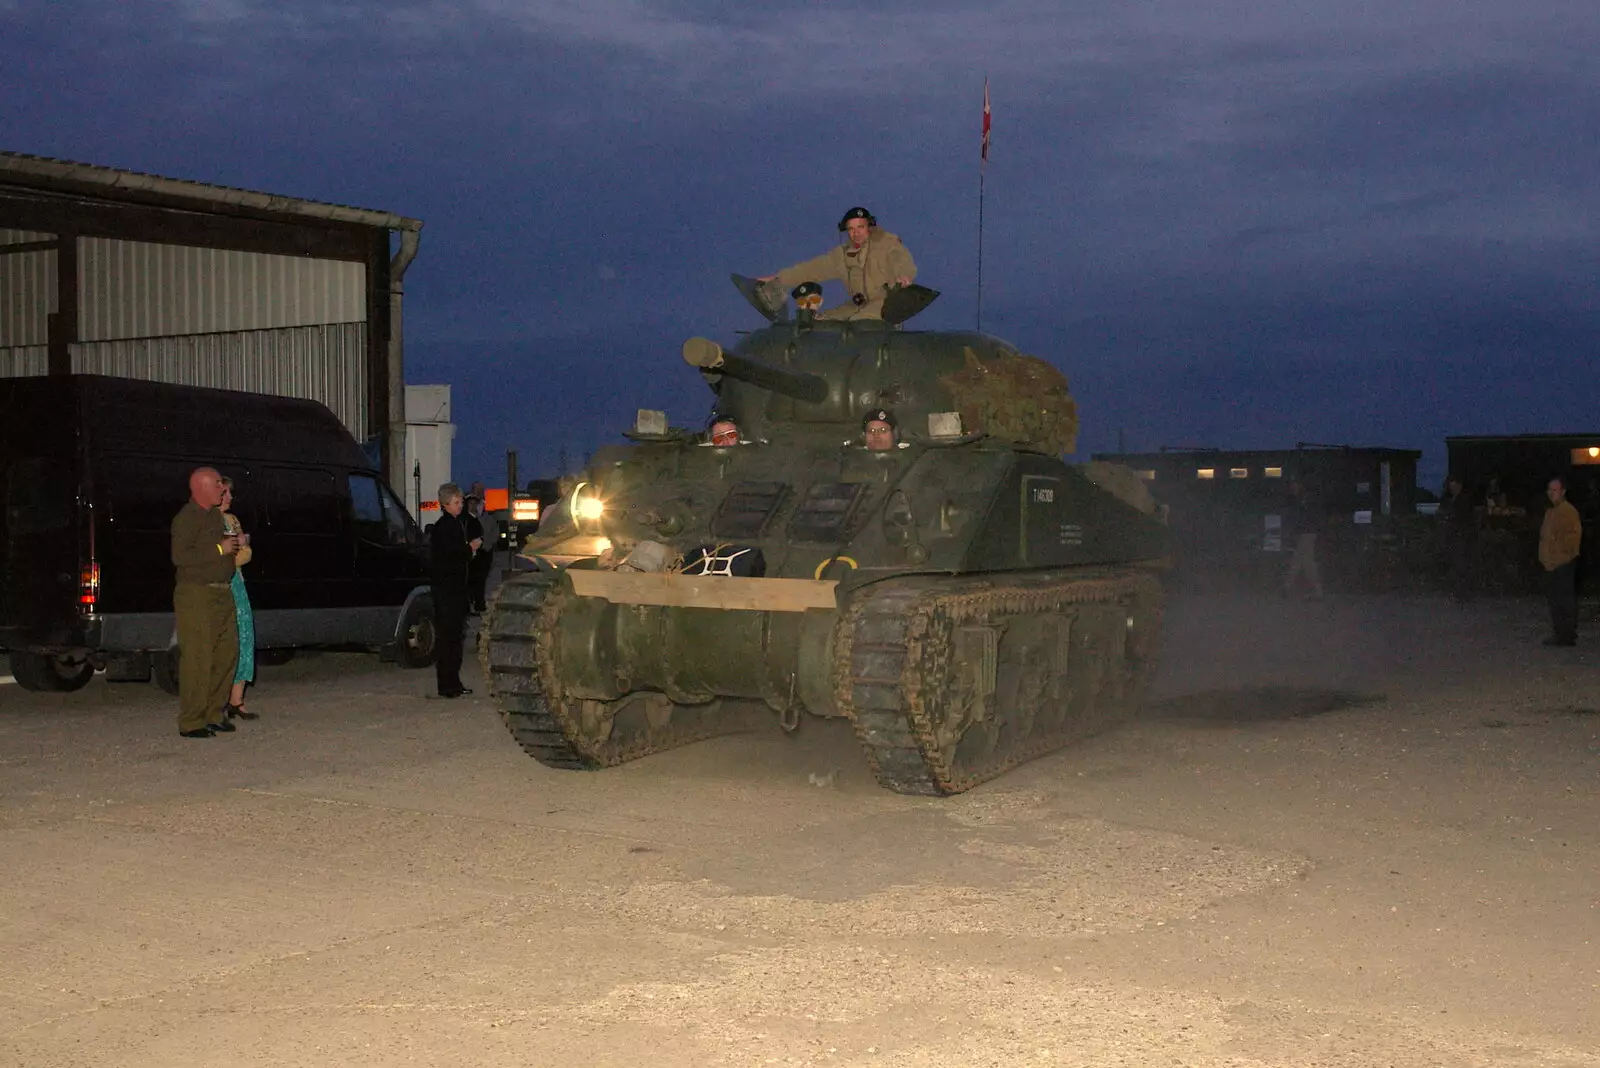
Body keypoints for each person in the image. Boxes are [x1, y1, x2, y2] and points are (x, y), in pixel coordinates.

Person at [169, 467, 240, 738]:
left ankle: (213, 713)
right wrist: (220, 549)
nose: (223, 489)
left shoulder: (213, 516)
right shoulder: (186, 518)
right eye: (218, 485)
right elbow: (180, 556)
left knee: (226, 653)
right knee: (198, 658)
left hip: (222, 592)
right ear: (202, 488)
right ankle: (191, 721)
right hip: (197, 593)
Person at [759, 206, 915, 321]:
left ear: (870, 226)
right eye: (851, 229)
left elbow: (900, 258)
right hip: (857, 304)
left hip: (885, 303)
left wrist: (903, 275)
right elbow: (812, 269)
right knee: (822, 321)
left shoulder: (887, 244)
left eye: (860, 227)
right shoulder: (842, 255)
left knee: (862, 323)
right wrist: (778, 279)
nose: (856, 233)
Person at [431, 483, 480, 696]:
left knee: (451, 638)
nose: (461, 506)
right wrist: (471, 548)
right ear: (446, 504)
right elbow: (454, 556)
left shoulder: (449, 525)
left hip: (449, 590)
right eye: (457, 502)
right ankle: (449, 684)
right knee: (450, 639)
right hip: (450, 591)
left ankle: (452, 682)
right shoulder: (447, 527)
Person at [218, 477, 259, 721]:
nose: (231, 498)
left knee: (245, 636)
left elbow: (246, 553)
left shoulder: (232, 520)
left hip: (238, 583)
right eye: (227, 493)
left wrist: (236, 550)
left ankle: (237, 699)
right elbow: (222, 558)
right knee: (226, 640)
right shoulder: (211, 521)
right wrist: (236, 550)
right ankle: (221, 699)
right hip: (223, 585)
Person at [1538, 475, 1581, 647]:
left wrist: (1559, 556)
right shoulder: (1551, 512)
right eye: (1549, 490)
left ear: (1563, 491)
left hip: (1563, 563)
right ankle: (1560, 632)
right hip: (1551, 563)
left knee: (1564, 599)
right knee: (1555, 599)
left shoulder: (1568, 512)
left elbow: (1572, 539)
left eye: (1555, 490)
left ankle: (1567, 634)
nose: (1551, 493)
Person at [1283, 479, 1324, 599]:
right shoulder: (1303, 499)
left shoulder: (1302, 500)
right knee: (1304, 561)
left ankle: (1288, 587)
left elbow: (1300, 517)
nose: (1293, 487)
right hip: (1307, 533)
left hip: (1306, 533)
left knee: (1302, 561)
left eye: (1295, 484)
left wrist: (1292, 531)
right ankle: (1289, 587)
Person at [1438, 475, 1477, 599]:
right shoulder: (1450, 499)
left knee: (1461, 565)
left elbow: (1464, 517)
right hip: (1454, 536)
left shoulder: (1463, 500)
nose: (1452, 486)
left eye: (1454, 484)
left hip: (1461, 536)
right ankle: (1459, 591)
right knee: (1457, 564)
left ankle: (1463, 592)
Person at [466, 494, 499, 614]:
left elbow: (495, 533)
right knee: (473, 580)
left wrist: (488, 544)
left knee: (481, 579)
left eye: (475, 503)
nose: (473, 505)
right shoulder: (466, 520)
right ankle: (473, 603)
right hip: (473, 553)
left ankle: (479, 603)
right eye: (471, 503)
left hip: (485, 552)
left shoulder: (487, 519)